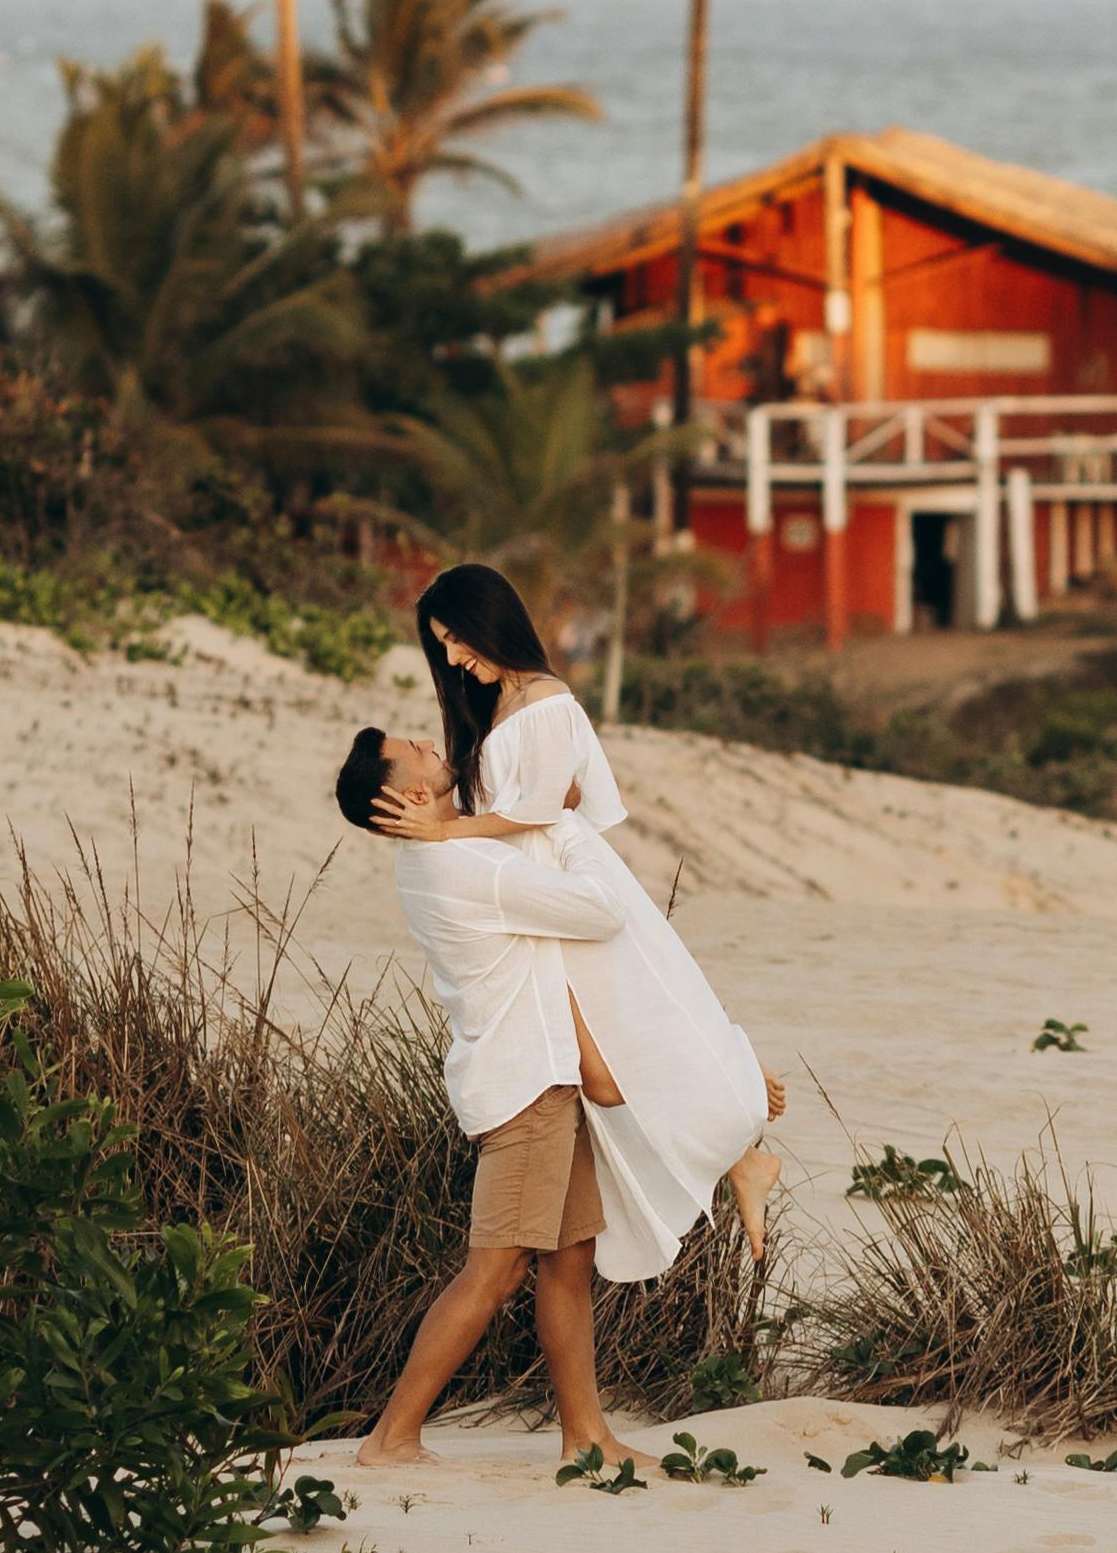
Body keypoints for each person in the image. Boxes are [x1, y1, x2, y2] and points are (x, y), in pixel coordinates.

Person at [372, 561, 785, 1275]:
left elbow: (536, 811)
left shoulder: (546, 699)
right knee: (602, 1068)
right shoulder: (495, 704)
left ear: (487, 622)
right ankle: (742, 1153)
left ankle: (739, 1098)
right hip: (534, 898)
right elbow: (519, 807)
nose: (450, 657)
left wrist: (445, 834)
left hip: (564, 885)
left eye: (455, 639)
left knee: (610, 1062)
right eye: (439, 644)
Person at [333, 726, 660, 1472]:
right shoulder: (460, 863)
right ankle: (391, 1440)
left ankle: (586, 1436)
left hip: (544, 1079)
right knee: (495, 1270)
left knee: (569, 1261)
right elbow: (600, 912)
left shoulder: (444, 855)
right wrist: (564, 823)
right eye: (413, 747)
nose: (427, 737)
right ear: (412, 794)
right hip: (524, 1088)